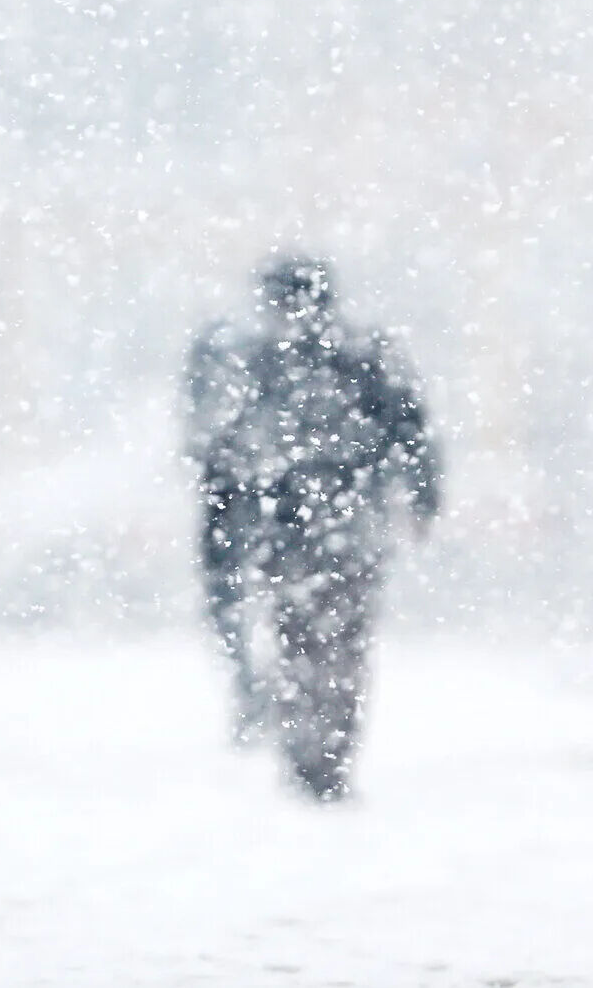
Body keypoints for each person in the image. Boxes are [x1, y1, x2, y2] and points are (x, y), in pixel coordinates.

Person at [184, 255, 440, 800]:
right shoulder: (362, 355)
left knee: (302, 640)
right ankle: (325, 752)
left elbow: (229, 453)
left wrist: (233, 518)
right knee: (338, 645)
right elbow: (409, 429)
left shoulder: (265, 363)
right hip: (346, 527)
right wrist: (419, 496)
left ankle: (311, 753)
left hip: (294, 532)